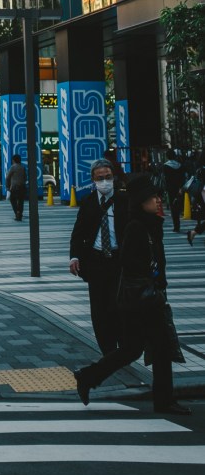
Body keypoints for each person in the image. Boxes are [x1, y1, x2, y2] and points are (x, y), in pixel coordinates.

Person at [74, 173, 190, 416]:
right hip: (141, 299)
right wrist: (151, 276)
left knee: (134, 349)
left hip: (143, 297)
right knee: (157, 347)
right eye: (153, 197)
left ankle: (87, 377)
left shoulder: (148, 223)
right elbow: (128, 262)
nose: (158, 200)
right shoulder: (137, 226)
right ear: (141, 201)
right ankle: (164, 400)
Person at [69, 157, 129, 354]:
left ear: (114, 177)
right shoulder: (88, 202)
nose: (104, 181)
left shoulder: (124, 201)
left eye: (108, 177)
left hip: (119, 260)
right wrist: (75, 256)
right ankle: (107, 349)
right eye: (100, 178)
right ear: (93, 180)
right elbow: (78, 232)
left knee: (117, 305)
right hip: (95, 261)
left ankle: (122, 342)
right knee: (99, 308)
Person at [162, 149, 185, 232]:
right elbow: (183, 178)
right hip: (179, 189)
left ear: (167, 156)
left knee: (173, 207)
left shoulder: (165, 166)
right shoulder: (180, 165)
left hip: (171, 189)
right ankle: (178, 224)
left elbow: (166, 179)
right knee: (178, 206)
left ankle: (176, 226)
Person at [6, 153, 27, 221]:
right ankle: (19, 213)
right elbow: (25, 177)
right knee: (21, 201)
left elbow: (7, 177)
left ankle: (17, 213)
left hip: (14, 187)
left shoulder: (13, 167)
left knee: (13, 200)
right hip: (22, 186)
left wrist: (7, 187)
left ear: (13, 160)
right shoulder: (22, 167)